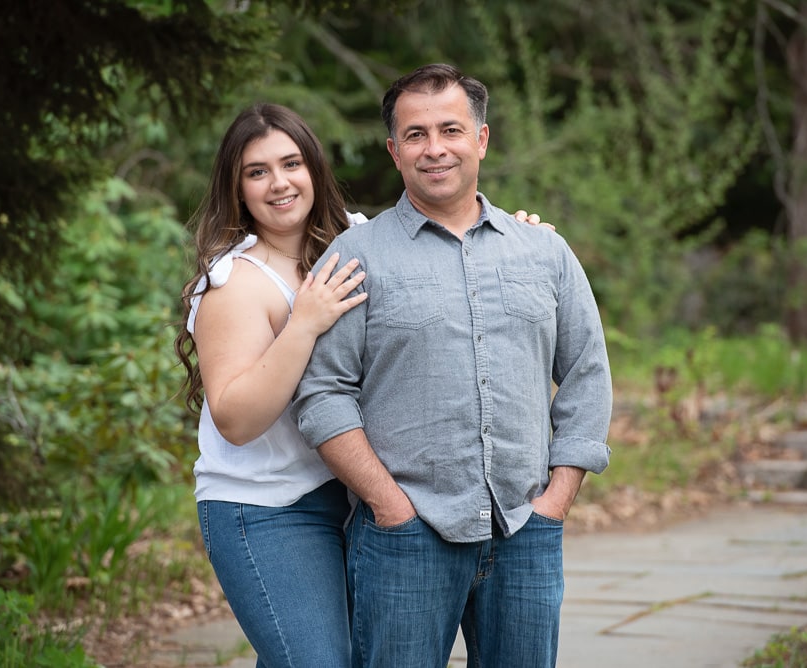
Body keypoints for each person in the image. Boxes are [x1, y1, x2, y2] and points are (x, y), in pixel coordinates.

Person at [174, 102, 546, 667]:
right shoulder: (234, 283)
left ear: (314, 169)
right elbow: (237, 420)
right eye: (257, 171)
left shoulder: (356, 238)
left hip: (352, 495)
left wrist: (512, 237)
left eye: (291, 164)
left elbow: (448, 254)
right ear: (237, 188)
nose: (279, 183)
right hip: (268, 506)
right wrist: (303, 321)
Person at [292, 64, 613, 668]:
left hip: (525, 530)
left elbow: (588, 373)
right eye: (415, 135)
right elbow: (322, 394)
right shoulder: (355, 257)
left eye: (451, 130)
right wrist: (389, 506)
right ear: (393, 150)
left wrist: (557, 499)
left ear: (482, 139)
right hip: (405, 539)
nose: (434, 148)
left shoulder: (544, 251)